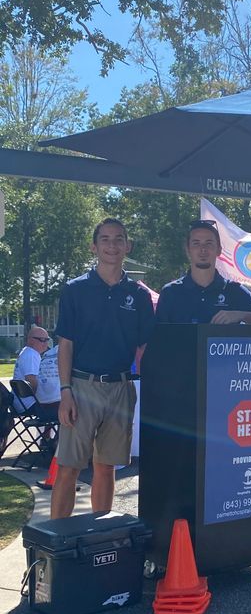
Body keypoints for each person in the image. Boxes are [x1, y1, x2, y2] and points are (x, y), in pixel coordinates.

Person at [50, 218, 155, 519]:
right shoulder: (75, 289)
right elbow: (65, 343)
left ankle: (100, 540)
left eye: (118, 239)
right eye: (105, 239)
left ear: (127, 246)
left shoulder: (139, 294)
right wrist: (65, 390)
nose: (112, 245)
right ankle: (58, 545)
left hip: (121, 387)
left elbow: (145, 346)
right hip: (82, 386)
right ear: (94, 246)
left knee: (106, 466)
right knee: (69, 468)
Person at [156, 220, 251, 324]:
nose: (203, 249)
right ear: (188, 250)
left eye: (209, 243)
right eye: (196, 243)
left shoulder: (233, 290)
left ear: (219, 250)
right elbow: (158, 340)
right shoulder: (170, 293)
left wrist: (240, 315)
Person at [12, 325, 51, 411]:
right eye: (42, 340)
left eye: (47, 340)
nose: (45, 343)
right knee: (60, 404)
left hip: (20, 403)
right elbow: (31, 380)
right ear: (30, 340)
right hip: (29, 404)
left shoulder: (25, 352)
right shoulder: (32, 354)